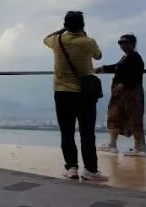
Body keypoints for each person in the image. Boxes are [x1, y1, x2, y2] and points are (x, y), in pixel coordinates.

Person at [44, 11, 107, 181]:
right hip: (84, 94)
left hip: (62, 93)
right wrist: (83, 35)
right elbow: (99, 55)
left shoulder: (57, 40)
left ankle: (71, 168)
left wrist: (62, 30)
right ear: (83, 25)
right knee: (87, 133)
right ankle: (90, 170)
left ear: (65, 25)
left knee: (67, 132)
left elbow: (45, 38)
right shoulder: (88, 42)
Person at [97, 33, 146, 157]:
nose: (122, 45)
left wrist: (123, 85)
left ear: (133, 44)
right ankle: (112, 145)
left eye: (125, 42)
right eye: (120, 42)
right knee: (114, 117)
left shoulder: (136, 58)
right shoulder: (125, 58)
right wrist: (103, 68)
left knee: (135, 118)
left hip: (131, 94)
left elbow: (134, 76)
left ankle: (139, 148)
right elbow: (117, 67)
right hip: (119, 94)